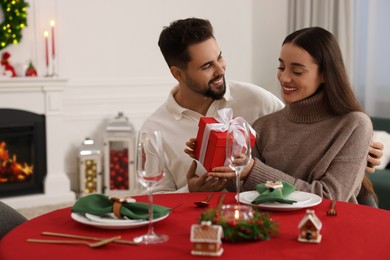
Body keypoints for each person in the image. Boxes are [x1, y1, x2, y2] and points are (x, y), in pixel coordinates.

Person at [142, 18, 383, 194]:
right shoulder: (154, 130)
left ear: (325, 74)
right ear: (178, 74)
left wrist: (359, 154)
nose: (220, 69)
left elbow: (319, 133)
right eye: (207, 66)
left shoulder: (258, 101)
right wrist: (199, 178)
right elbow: (153, 203)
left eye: (220, 57)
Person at [206, 27, 376, 204]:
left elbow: (329, 197)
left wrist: (254, 171)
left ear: (325, 74)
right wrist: (215, 154)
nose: (284, 78)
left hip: (324, 227)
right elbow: (242, 193)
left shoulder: (354, 125)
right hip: (266, 226)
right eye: (281, 67)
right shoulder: (264, 126)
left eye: (297, 71)